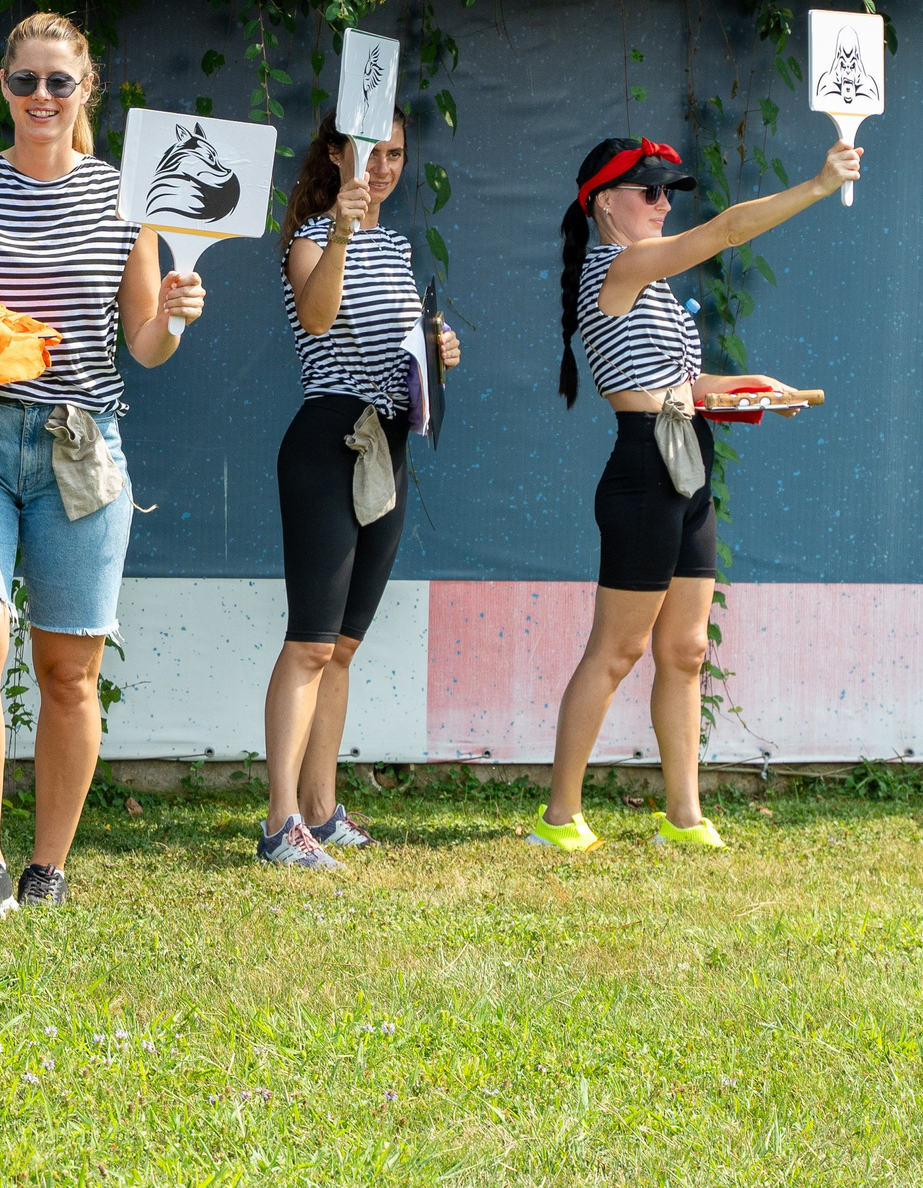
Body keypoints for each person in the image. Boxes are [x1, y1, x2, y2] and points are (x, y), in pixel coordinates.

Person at [0, 12, 204, 917]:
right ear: (3, 86)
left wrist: (179, 314)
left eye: (59, 82)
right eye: (25, 80)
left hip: (80, 445)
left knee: (70, 672)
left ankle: (48, 867)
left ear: (87, 90)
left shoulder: (126, 200)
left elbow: (143, 345)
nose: (42, 97)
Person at [533, 134, 859, 853]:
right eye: (648, 190)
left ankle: (683, 814)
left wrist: (754, 386)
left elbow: (686, 384)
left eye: (667, 192)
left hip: (687, 459)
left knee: (683, 649)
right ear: (601, 203)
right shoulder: (617, 265)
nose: (661, 203)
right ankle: (558, 817)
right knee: (616, 650)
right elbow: (727, 231)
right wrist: (816, 183)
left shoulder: (649, 280)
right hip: (646, 465)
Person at [260, 107, 460, 871]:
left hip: (389, 444)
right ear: (337, 155)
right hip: (327, 442)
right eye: (370, 153)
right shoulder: (311, 238)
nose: (383, 168)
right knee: (309, 642)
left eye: (396, 155)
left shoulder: (400, 245)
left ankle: (319, 806)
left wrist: (434, 348)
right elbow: (318, 319)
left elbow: (393, 347)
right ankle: (280, 824)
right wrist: (340, 228)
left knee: (342, 646)